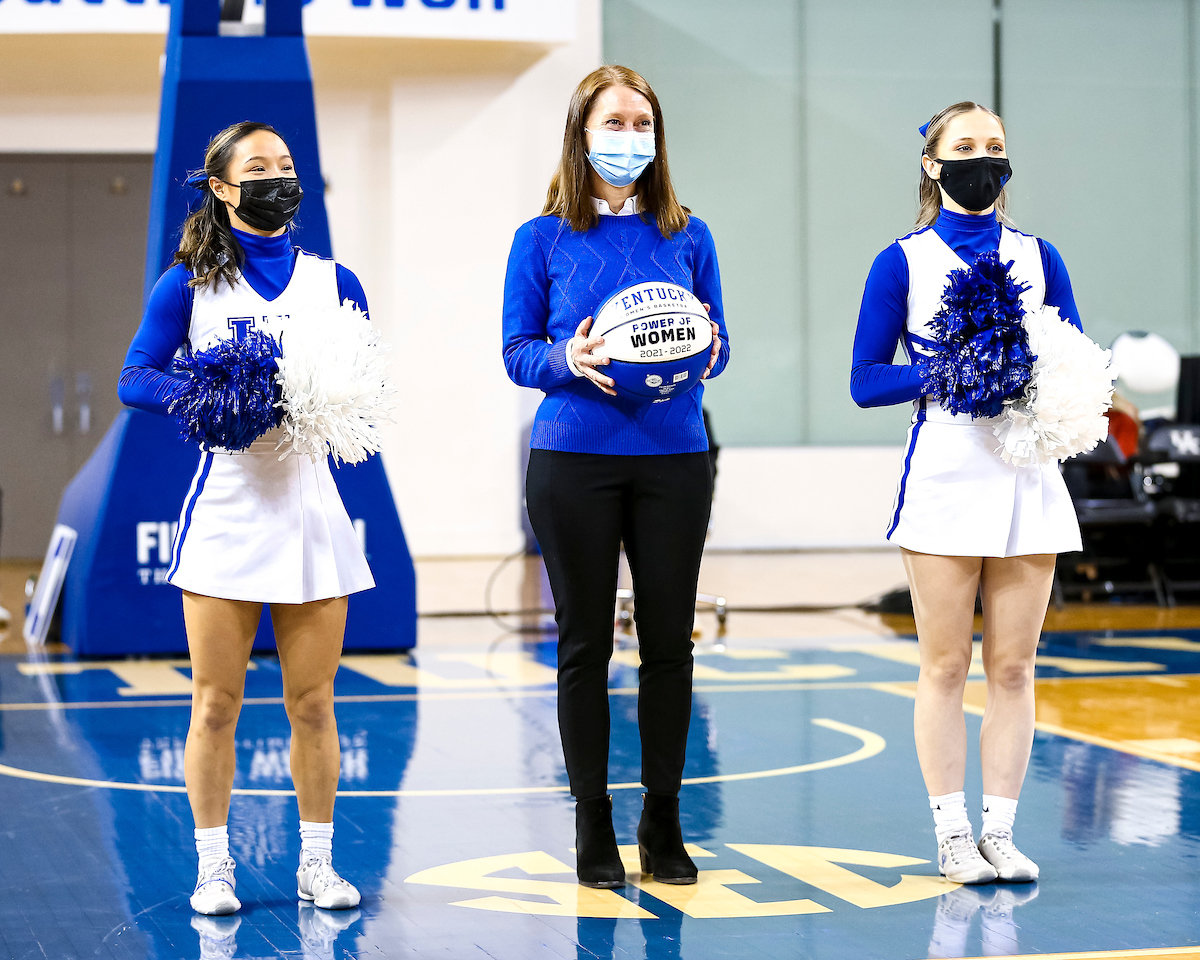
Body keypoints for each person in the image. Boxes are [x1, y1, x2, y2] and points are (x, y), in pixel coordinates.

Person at [118, 121, 370, 915]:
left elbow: (367, 387)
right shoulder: (186, 283)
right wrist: (208, 397)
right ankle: (213, 867)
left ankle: (316, 864)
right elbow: (135, 376)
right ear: (222, 188)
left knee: (314, 702)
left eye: (287, 166)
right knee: (215, 703)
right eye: (258, 167)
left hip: (310, 507)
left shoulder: (337, 282)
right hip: (228, 507)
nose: (278, 177)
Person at [502, 65, 730, 889]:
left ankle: (662, 819)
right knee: (584, 645)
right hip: (573, 459)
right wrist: (573, 356)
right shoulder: (542, 239)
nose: (630, 136)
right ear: (581, 132)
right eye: (616, 121)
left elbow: (721, 343)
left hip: (674, 456)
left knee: (669, 644)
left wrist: (708, 346)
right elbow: (516, 353)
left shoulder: (688, 235)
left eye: (643, 122)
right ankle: (591, 821)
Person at [850, 101, 1084, 884]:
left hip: (1027, 473)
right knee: (946, 666)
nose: (983, 158)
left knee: (1014, 668)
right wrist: (950, 368)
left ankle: (1002, 832)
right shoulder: (902, 262)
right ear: (932, 162)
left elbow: (1076, 361)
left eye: (995, 146)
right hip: (947, 472)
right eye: (966, 146)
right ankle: (951, 835)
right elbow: (864, 381)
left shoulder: (1041, 255)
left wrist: (1045, 380)